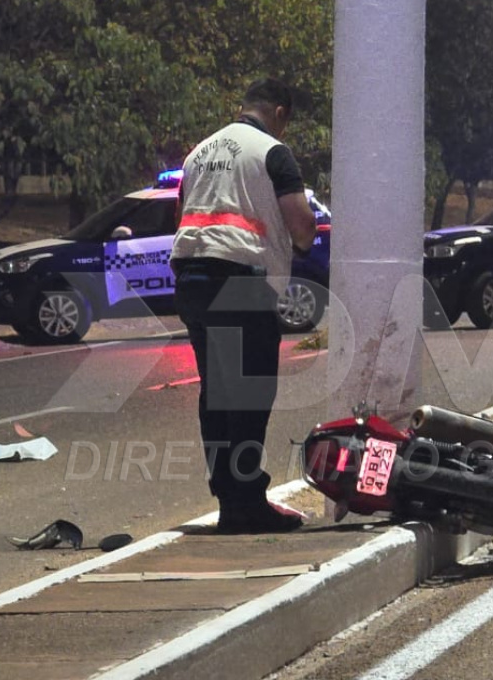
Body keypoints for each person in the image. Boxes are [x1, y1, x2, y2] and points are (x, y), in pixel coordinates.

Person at [170, 79, 317, 533]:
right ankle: (248, 503)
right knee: (250, 395)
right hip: (241, 283)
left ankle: (230, 499)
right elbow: (302, 228)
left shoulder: (198, 153)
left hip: (192, 278)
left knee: (216, 394)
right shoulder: (273, 152)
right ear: (278, 111)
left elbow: (181, 214)